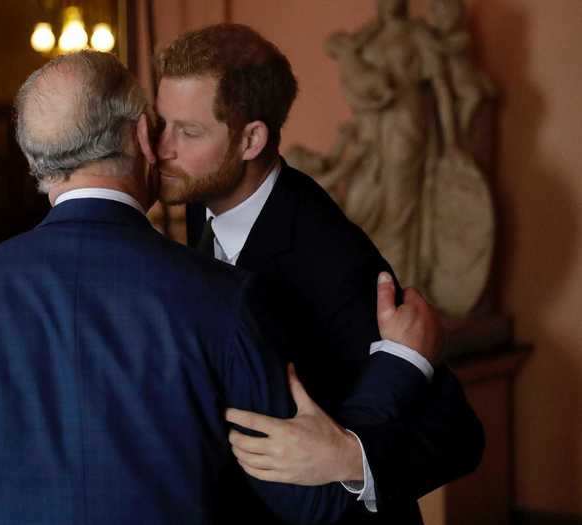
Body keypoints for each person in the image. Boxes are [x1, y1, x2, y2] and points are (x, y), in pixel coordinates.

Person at [0, 51, 434, 525]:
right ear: (143, 135)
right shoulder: (223, 299)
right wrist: (399, 365)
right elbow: (311, 503)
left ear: (37, 164)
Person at [154, 23, 484, 524]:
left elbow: (458, 432)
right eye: (163, 123)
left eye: (189, 131)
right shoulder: (205, 201)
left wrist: (349, 456)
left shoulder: (328, 253)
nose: (162, 148)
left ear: (251, 139)